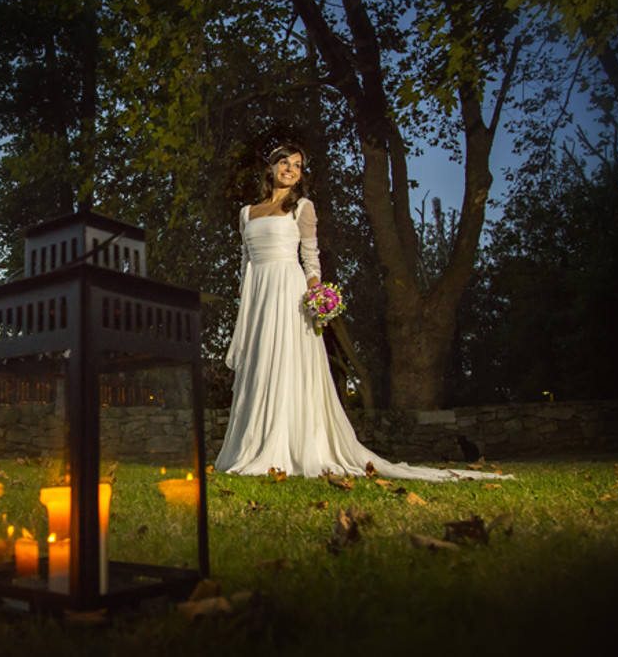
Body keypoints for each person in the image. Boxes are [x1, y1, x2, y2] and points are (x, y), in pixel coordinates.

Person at [215, 145, 509, 481]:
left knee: (287, 364)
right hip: (260, 296)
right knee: (261, 365)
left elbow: (311, 260)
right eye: (285, 162)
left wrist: (317, 297)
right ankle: (251, 447)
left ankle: (289, 447)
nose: (291, 169)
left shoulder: (303, 208)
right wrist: (246, 304)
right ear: (271, 168)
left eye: (298, 165)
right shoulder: (247, 213)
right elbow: (246, 264)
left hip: (288, 291)